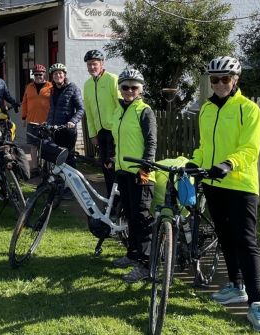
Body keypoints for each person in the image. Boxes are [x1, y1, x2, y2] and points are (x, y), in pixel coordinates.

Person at [187, 56, 260, 333]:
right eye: (215, 80)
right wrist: (195, 162)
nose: (220, 84)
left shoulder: (248, 110)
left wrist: (228, 164)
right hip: (214, 184)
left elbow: (250, 149)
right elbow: (204, 145)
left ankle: (256, 304)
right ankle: (236, 286)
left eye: (225, 79)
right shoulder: (207, 109)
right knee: (224, 235)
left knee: (246, 242)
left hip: (240, 184)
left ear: (235, 80)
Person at [111, 68, 157, 283]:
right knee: (129, 214)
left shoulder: (144, 110)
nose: (129, 90)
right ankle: (132, 254)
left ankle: (146, 265)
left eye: (134, 87)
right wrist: (113, 158)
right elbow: (120, 138)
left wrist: (145, 169)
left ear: (141, 89)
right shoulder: (120, 110)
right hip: (123, 170)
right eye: (125, 87)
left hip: (140, 172)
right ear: (120, 88)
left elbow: (151, 142)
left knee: (141, 218)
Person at [83, 50, 120, 199]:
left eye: (95, 64)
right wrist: (93, 133)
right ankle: (112, 200)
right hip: (101, 132)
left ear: (102, 64)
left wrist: (118, 129)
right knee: (105, 167)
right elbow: (89, 112)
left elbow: (120, 105)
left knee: (115, 167)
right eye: (89, 64)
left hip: (114, 130)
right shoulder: (87, 85)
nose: (92, 67)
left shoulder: (112, 79)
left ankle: (119, 200)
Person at [47, 63, 84, 198]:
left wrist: (72, 121)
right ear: (52, 76)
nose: (58, 75)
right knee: (58, 159)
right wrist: (48, 123)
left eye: (60, 73)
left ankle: (72, 188)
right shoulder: (52, 90)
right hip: (55, 130)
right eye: (55, 73)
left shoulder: (73, 88)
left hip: (68, 130)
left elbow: (81, 109)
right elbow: (52, 110)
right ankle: (61, 185)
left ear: (65, 75)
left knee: (69, 159)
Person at [21, 64, 52, 175]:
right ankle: (34, 168)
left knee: (46, 145)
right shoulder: (29, 87)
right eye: (36, 74)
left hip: (46, 121)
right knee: (33, 146)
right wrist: (24, 117)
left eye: (40, 74)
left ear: (44, 74)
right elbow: (24, 103)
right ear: (33, 75)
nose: (38, 76)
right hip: (32, 121)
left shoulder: (50, 86)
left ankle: (46, 168)